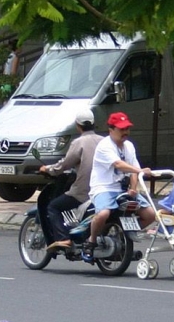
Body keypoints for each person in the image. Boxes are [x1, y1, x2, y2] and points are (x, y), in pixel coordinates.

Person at [81, 112, 155, 264]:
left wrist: (133, 188)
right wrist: (140, 171)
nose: (125, 132)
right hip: (103, 188)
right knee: (103, 214)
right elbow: (119, 165)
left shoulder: (129, 146)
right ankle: (91, 241)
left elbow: (133, 168)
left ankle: (123, 236)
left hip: (121, 190)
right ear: (111, 130)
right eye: (121, 129)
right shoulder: (104, 146)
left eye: (127, 128)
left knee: (150, 214)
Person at [38, 110, 103, 251]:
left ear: (78, 125)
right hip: (102, 189)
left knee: (53, 207)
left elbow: (64, 164)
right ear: (93, 124)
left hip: (84, 191)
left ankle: (63, 239)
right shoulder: (103, 141)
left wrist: (48, 169)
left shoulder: (78, 142)